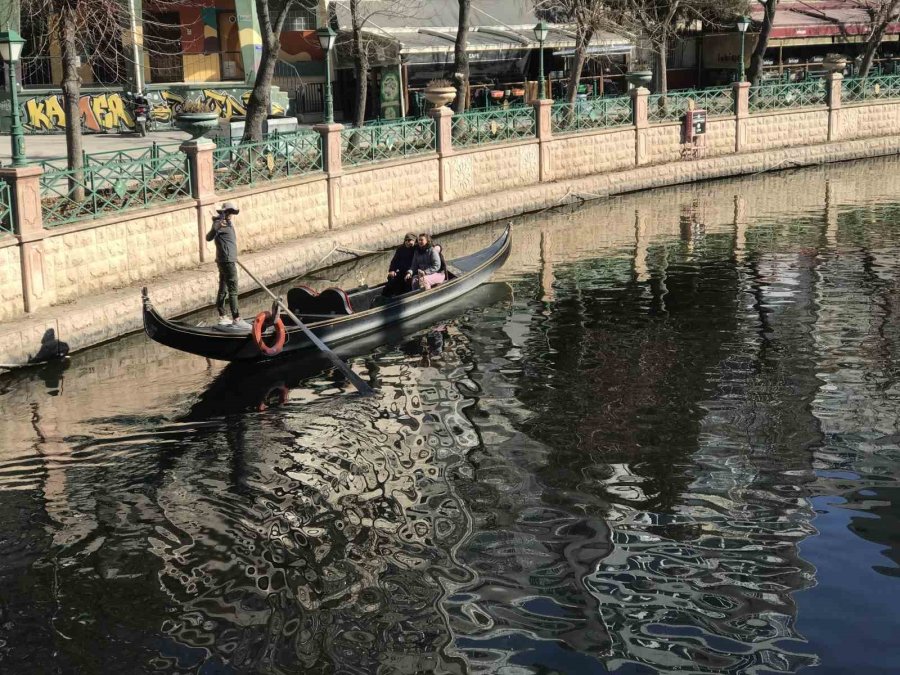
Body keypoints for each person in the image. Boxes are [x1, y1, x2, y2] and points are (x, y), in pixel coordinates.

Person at [206, 202, 251, 329]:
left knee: (223, 288)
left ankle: (222, 316)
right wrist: (216, 227)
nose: (231, 214)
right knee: (233, 289)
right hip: (227, 261)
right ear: (224, 212)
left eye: (232, 212)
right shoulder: (219, 223)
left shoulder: (228, 223)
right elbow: (208, 237)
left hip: (227, 259)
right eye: (229, 212)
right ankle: (236, 318)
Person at [384, 232, 417, 296]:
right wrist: (392, 270)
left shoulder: (416, 248)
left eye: (409, 240)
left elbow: (428, 246)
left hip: (413, 271)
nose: (407, 242)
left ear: (414, 241)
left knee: (408, 280)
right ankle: (391, 294)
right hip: (402, 271)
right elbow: (394, 261)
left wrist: (438, 247)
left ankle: (406, 295)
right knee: (392, 278)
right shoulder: (401, 249)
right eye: (406, 240)